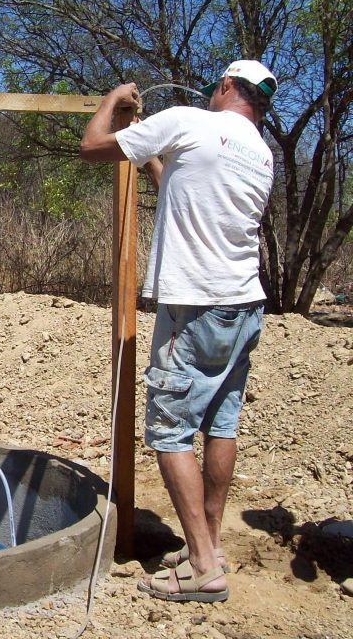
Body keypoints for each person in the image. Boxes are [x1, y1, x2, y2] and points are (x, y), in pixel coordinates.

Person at [79, 60, 277, 603]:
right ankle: (207, 544)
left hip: (193, 308)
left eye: (218, 87)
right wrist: (149, 156)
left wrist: (113, 100)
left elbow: (92, 146)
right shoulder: (260, 154)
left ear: (227, 86)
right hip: (242, 307)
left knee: (170, 432)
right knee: (220, 424)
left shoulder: (190, 121)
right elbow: (181, 190)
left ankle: (204, 569)